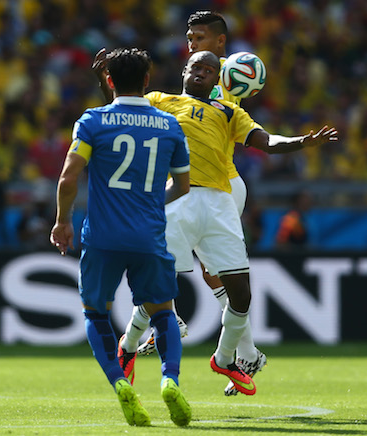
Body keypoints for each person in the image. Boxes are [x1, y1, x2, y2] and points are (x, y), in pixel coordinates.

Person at [94, 49, 338, 397]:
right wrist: (106, 83)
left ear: (217, 80)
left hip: (220, 203)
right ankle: (129, 345)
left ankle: (224, 358)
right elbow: (120, 111)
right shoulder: (161, 101)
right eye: (197, 67)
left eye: (209, 70)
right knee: (160, 287)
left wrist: (302, 141)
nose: (201, 73)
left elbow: (267, 143)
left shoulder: (229, 112)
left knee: (241, 292)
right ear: (185, 70)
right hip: (177, 196)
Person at [49, 48, 192, 427]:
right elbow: (182, 186)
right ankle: (170, 379)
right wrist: (149, 203)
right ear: (147, 80)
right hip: (149, 237)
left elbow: (67, 177)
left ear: (109, 80)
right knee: (163, 312)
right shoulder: (168, 125)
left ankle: (119, 382)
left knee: (95, 313)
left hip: (102, 239)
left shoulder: (92, 122)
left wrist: (63, 220)